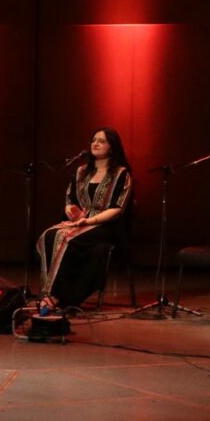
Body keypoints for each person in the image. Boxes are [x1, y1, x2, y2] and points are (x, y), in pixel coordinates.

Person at [37, 128, 134, 310]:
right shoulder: (81, 171)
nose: (95, 144)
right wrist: (71, 212)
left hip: (106, 226)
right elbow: (70, 200)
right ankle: (50, 293)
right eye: (93, 140)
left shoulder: (121, 174)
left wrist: (89, 221)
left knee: (66, 238)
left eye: (101, 141)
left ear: (112, 147)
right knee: (48, 236)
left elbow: (117, 209)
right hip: (80, 222)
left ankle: (58, 295)